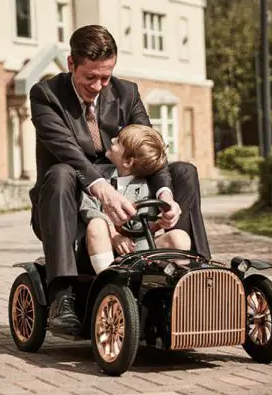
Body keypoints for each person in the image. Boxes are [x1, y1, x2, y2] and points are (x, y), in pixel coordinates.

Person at [29, 24, 211, 335]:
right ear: (71, 64)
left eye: (106, 76)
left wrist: (166, 194)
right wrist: (103, 192)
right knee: (60, 173)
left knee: (184, 172)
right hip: (70, 203)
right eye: (90, 77)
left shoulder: (127, 93)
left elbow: (150, 146)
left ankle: (196, 273)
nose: (99, 85)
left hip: (131, 196)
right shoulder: (46, 96)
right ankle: (63, 296)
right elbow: (69, 153)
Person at [80, 124, 191, 273]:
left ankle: (174, 281)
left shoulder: (147, 186)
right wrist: (114, 235)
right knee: (96, 224)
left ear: (128, 161)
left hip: (141, 248)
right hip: (105, 247)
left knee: (180, 237)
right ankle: (107, 280)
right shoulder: (97, 177)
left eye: (118, 141)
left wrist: (159, 222)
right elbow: (88, 208)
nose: (112, 139)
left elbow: (144, 225)